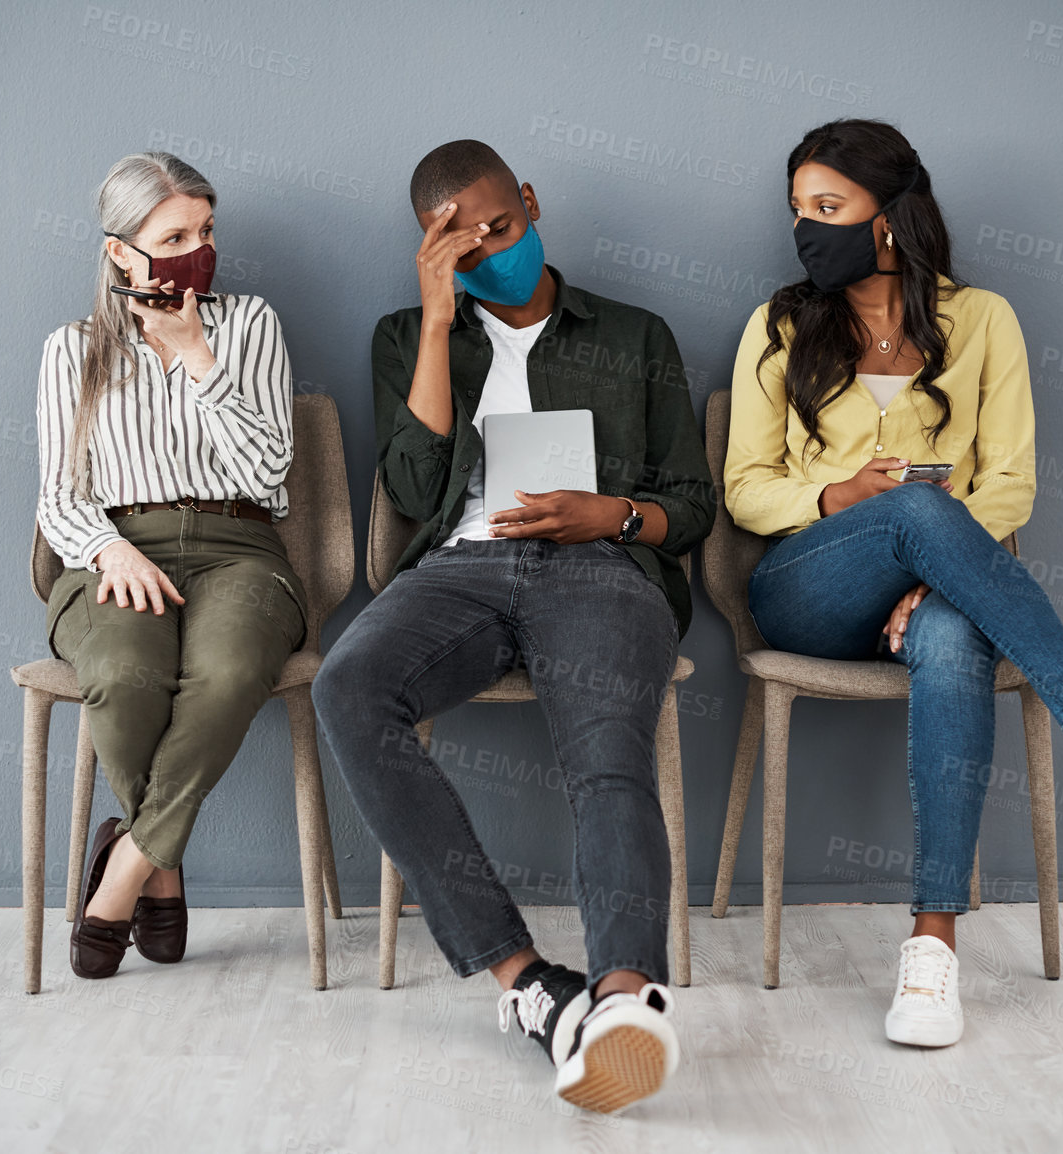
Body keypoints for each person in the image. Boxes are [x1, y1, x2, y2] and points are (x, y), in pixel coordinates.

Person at [724, 119, 1063, 1048]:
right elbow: (747, 492)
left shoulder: (984, 320)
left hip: (937, 591)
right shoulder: (780, 324)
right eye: (798, 210)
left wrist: (934, 571)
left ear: (889, 218)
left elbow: (1011, 483)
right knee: (916, 509)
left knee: (955, 632)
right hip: (810, 589)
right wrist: (845, 495)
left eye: (828, 208)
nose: (806, 228)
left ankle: (933, 949)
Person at [312, 140, 716, 1113]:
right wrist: (444, 315)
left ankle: (624, 996)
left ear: (529, 203)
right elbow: (410, 490)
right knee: (348, 685)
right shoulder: (408, 335)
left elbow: (690, 506)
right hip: (458, 569)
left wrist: (606, 513)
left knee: (606, 753)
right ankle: (531, 984)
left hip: (600, 566)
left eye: (500, 225)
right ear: (430, 248)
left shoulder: (633, 334)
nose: (491, 247)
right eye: (461, 241)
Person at [35, 152, 307, 980]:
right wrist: (109, 549)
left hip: (242, 546)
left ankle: (127, 866)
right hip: (114, 549)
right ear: (122, 250)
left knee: (227, 674)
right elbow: (57, 496)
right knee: (124, 675)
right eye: (175, 234)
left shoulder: (250, 324)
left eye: (207, 230)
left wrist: (200, 360)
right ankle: (167, 863)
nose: (200, 247)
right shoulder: (71, 348)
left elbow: (269, 473)